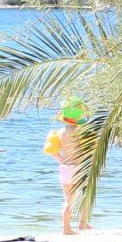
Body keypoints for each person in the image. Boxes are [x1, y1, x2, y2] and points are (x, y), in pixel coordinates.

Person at [47, 99, 91, 234]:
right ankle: (76, 226)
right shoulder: (80, 132)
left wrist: (62, 160)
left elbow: (52, 150)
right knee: (85, 196)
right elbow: (87, 150)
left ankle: (70, 227)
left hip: (66, 169)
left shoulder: (59, 133)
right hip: (79, 169)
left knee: (69, 200)